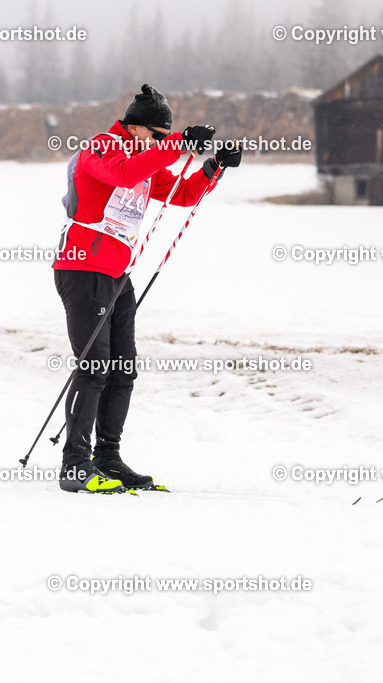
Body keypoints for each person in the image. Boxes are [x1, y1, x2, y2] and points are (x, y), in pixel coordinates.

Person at [52, 83, 242, 493]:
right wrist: (175, 144)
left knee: (123, 369)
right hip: (83, 268)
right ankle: (74, 464)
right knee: (94, 366)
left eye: (164, 137)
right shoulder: (101, 148)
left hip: (118, 275)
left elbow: (183, 193)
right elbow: (123, 173)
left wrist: (213, 167)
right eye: (156, 135)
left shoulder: (144, 157)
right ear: (136, 128)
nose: (159, 143)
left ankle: (107, 456)